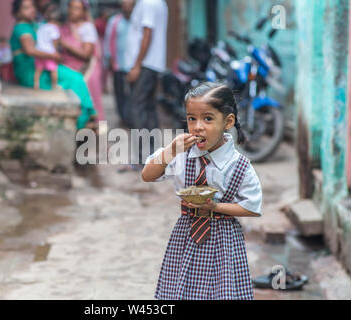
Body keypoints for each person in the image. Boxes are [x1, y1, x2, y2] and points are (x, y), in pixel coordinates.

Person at [142, 82, 263, 300]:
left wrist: (215, 206)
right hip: (186, 237)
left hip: (224, 241)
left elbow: (252, 207)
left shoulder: (239, 165)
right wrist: (170, 150)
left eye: (208, 119)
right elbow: (147, 175)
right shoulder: (181, 154)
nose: (197, 126)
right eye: (191, 118)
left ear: (228, 122)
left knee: (222, 292)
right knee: (181, 290)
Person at [10, 0, 97, 130]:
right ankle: (85, 120)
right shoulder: (22, 28)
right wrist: (53, 56)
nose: (32, 10)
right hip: (31, 71)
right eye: (26, 8)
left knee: (75, 80)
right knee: (75, 80)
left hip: (42, 66)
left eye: (32, 6)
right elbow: (29, 50)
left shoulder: (33, 25)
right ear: (17, 13)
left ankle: (86, 118)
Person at [125, 0, 168, 166]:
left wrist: (136, 65)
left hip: (145, 65)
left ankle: (142, 157)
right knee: (149, 109)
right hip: (152, 64)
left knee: (136, 108)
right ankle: (154, 156)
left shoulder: (148, 4)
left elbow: (147, 33)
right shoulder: (158, 3)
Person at [59, 0, 104, 122]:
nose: (73, 11)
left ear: (84, 12)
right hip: (69, 69)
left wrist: (66, 45)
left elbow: (86, 54)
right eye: (71, 7)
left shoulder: (87, 28)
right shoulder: (65, 26)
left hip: (86, 71)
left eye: (77, 8)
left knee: (88, 103)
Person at [103, 0, 135, 127]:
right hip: (118, 64)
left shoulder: (137, 21)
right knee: (120, 92)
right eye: (124, 5)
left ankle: (131, 117)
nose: (127, 7)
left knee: (132, 93)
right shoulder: (114, 21)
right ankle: (123, 117)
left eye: (129, 5)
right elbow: (108, 40)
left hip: (132, 66)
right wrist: (109, 58)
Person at [34, 4, 61, 90]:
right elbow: (55, 41)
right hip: (49, 53)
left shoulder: (41, 26)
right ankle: (54, 85)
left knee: (38, 70)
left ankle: (36, 85)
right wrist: (55, 51)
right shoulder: (54, 28)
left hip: (39, 52)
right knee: (53, 70)